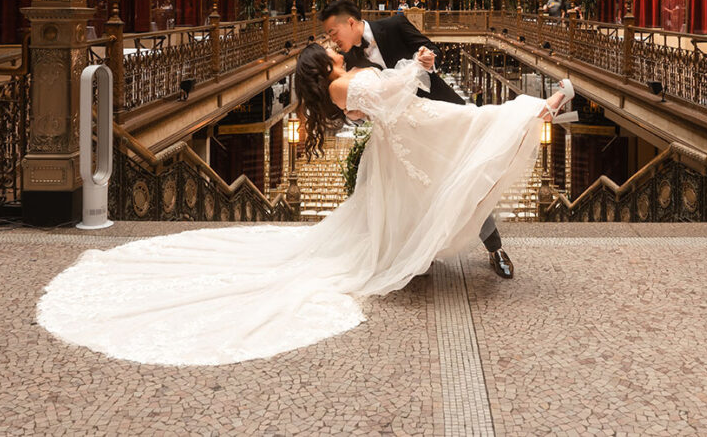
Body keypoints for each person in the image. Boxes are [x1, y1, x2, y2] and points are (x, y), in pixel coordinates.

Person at [36, 44, 575, 366]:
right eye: (329, 49)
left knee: (477, 133)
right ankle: (543, 108)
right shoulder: (344, 87)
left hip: (408, 134)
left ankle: (542, 109)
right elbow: (389, 98)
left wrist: (413, 67)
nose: (334, 46)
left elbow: (387, 96)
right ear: (325, 65)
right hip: (413, 129)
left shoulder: (344, 82)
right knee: (478, 129)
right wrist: (415, 67)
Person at [320, 0, 515, 279]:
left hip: (438, 115)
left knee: (467, 180)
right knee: (414, 195)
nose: (333, 40)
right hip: (402, 135)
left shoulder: (395, 24)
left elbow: (432, 49)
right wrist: (356, 115)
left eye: (332, 32)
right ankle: (419, 254)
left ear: (350, 22)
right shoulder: (346, 61)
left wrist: (429, 58)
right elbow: (363, 106)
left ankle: (495, 248)